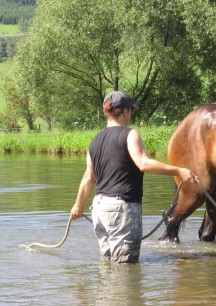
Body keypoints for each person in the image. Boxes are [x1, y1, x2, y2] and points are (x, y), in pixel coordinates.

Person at [70, 90, 195, 263]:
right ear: (126, 111)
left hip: (99, 208)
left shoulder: (95, 140)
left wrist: (78, 205)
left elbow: (88, 178)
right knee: (125, 269)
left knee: (108, 264)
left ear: (106, 112)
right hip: (121, 209)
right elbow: (143, 164)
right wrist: (178, 171)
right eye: (130, 111)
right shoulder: (130, 134)